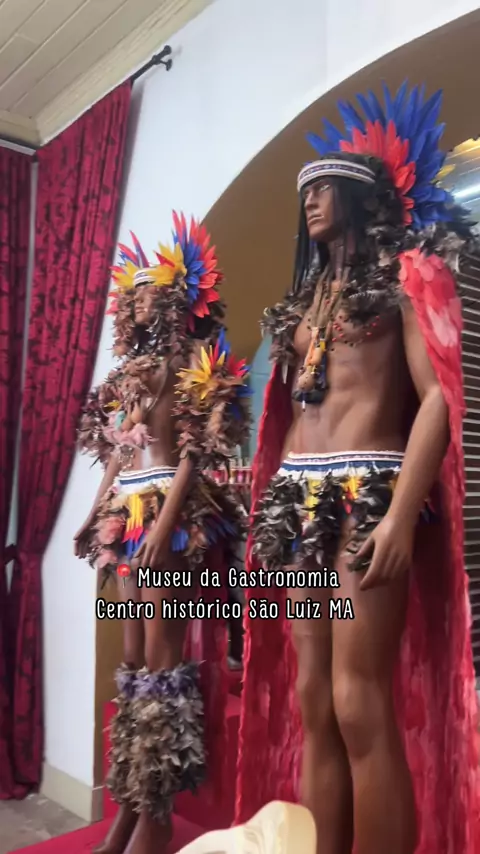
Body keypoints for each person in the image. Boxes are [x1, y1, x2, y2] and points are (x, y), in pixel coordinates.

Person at [235, 82, 480, 854]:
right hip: (300, 505)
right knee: (314, 699)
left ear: (361, 196)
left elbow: (439, 398)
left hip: (367, 496)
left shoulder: (407, 278)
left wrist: (402, 513)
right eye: (304, 191)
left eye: (324, 187)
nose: (309, 201)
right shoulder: (302, 304)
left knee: (358, 701)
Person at [74, 213, 250, 854]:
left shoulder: (191, 362)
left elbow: (195, 452)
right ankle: (127, 806)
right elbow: (123, 449)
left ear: (176, 300)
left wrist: (168, 521)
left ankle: (155, 816)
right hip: (128, 515)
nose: (142, 301)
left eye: (154, 292)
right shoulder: (130, 370)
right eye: (137, 294)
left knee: (161, 666)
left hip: (167, 520)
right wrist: (94, 513)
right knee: (130, 664)